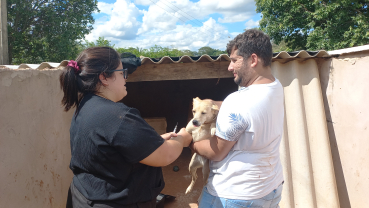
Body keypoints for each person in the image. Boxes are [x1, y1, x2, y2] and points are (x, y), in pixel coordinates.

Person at [60, 47, 193, 208]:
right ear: (104, 77)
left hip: (84, 198)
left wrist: (155, 141)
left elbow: (109, 149)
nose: (125, 78)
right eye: (121, 72)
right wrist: (182, 138)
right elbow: (165, 156)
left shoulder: (86, 106)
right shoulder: (117, 116)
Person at [190, 29, 285, 207]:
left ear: (253, 60)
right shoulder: (275, 86)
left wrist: (190, 141)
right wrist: (212, 104)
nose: (230, 67)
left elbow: (216, 152)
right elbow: (248, 113)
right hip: (270, 187)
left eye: (235, 61)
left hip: (234, 195)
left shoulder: (238, 101)